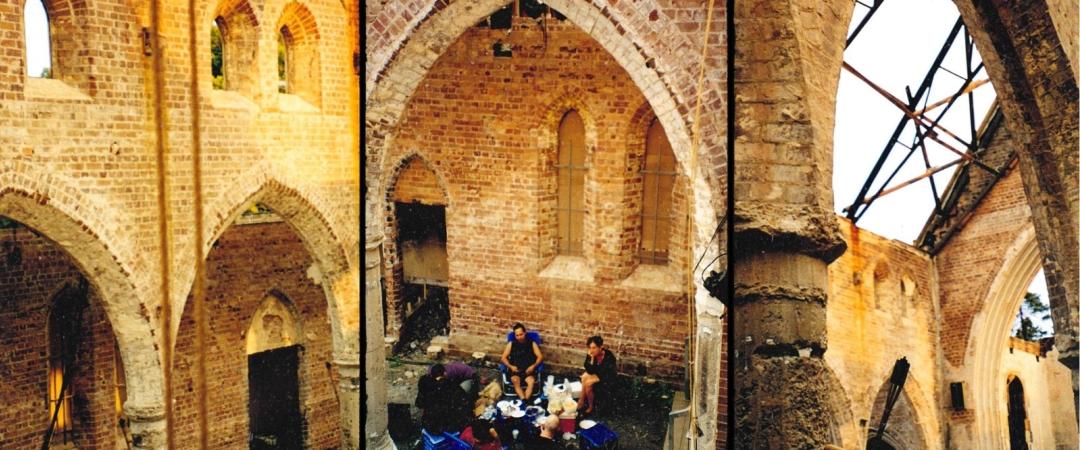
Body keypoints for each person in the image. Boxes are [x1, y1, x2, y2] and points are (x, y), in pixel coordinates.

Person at [416, 363, 469, 433]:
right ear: (444, 373)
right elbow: (462, 398)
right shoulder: (449, 384)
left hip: (427, 424)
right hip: (443, 427)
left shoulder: (424, 380)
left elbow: (419, 403)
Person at [501, 322, 544, 400]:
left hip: (529, 370)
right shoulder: (511, 344)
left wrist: (533, 366)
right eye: (517, 335)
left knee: (531, 382)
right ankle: (524, 400)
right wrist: (511, 367)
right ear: (515, 335)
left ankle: (525, 401)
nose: (519, 337)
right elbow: (503, 358)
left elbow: (540, 356)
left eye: (521, 334)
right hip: (516, 370)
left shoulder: (531, 343)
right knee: (515, 381)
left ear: (525, 333)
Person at [578, 335, 617, 415]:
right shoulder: (591, 354)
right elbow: (589, 370)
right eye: (590, 347)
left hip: (607, 378)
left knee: (588, 383)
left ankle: (590, 406)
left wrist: (593, 378)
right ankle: (582, 400)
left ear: (601, 347)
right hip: (598, 374)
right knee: (585, 376)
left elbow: (607, 374)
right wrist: (591, 359)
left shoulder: (609, 356)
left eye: (594, 348)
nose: (591, 350)